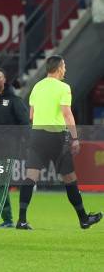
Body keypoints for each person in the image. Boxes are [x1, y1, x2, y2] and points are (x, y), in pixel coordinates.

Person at [18, 56, 102, 230]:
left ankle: (22, 220)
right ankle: (83, 219)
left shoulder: (37, 86)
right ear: (58, 68)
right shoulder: (64, 87)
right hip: (56, 137)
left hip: (37, 135)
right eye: (64, 66)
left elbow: (32, 115)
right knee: (70, 179)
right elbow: (67, 113)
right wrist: (75, 138)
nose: (65, 70)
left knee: (30, 177)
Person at [0, 67, 29, 229]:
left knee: (2, 184)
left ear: (4, 79)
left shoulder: (14, 100)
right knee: (1, 184)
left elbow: (24, 124)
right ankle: (8, 220)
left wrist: (25, 143)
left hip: (9, 148)